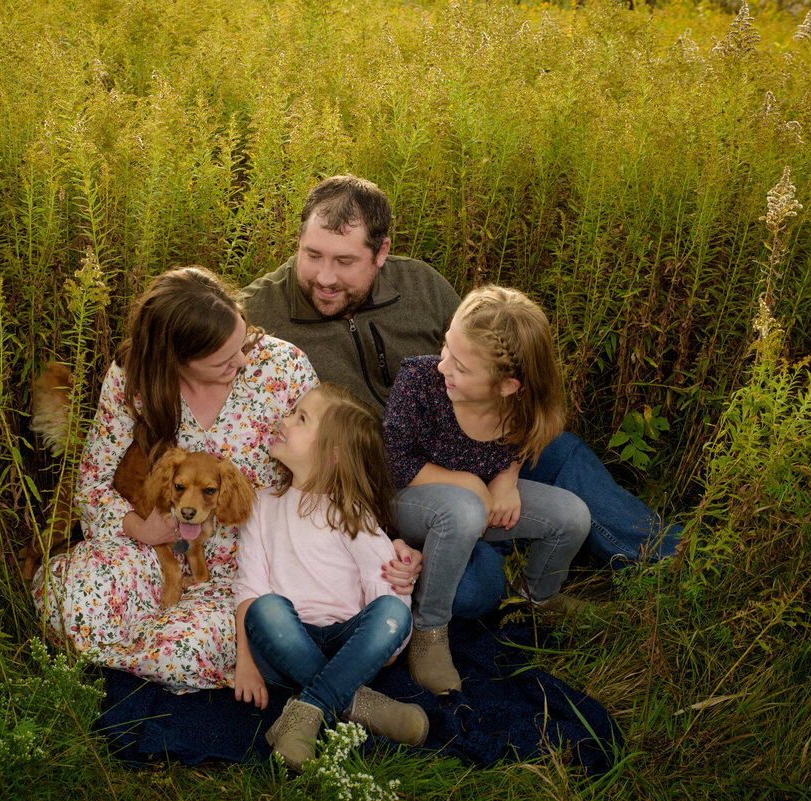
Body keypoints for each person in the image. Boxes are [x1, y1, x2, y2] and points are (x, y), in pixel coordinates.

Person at [241, 175, 681, 599]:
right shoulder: (261, 311)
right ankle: (486, 557)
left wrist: (503, 471)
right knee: (475, 591)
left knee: (563, 452)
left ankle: (672, 568)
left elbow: (488, 366)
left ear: (381, 253)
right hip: (384, 480)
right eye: (312, 255)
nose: (325, 277)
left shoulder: (421, 286)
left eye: (344, 261)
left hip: (471, 441)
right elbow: (201, 348)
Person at [31, 267, 416, 693]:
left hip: (250, 573)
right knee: (74, 595)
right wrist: (138, 527)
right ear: (176, 360)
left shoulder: (282, 369)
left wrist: (385, 543)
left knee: (184, 648)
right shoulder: (131, 381)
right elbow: (92, 483)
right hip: (155, 549)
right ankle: (140, 646)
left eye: (243, 340)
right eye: (222, 359)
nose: (244, 360)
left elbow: (328, 466)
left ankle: (155, 652)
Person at [385, 286, 591, 694]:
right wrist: (470, 483)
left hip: (476, 506)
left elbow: (524, 440)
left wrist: (507, 479)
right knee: (463, 510)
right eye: (446, 347)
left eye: (461, 366)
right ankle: (428, 629)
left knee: (572, 517)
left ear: (508, 386)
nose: (444, 365)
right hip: (406, 501)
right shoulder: (420, 382)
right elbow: (396, 462)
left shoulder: (522, 405)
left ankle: (536, 598)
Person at [232, 384, 428, 768]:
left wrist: (381, 651)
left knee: (394, 610)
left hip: (345, 645)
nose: (284, 420)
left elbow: (386, 587)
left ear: (332, 455)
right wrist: (245, 661)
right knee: (266, 607)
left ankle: (309, 709)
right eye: (292, 412)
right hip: (283, 648)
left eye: (300, 418)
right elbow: (248, 588)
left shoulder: (352, 512)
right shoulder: (262, 504)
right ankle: (360, 704)